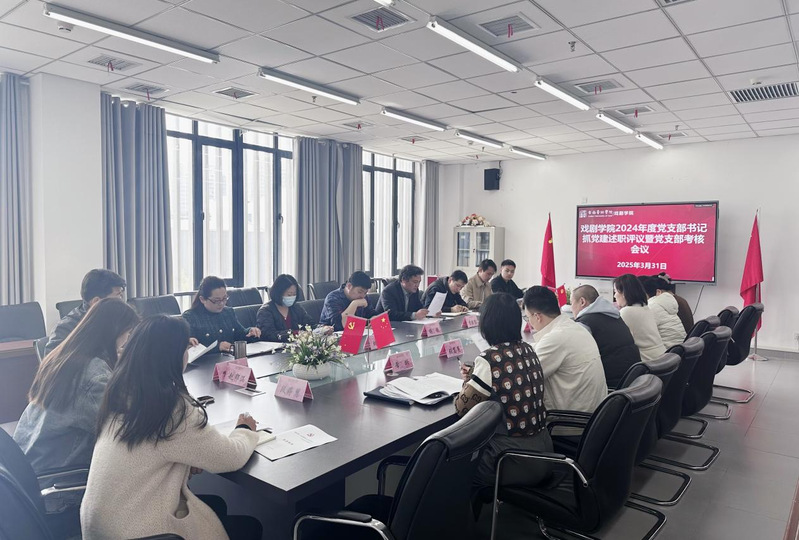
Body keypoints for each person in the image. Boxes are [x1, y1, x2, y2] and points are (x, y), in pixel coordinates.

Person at [80, 315, 263, 540]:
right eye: (185, 348)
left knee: (217, 505)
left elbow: (150, 450)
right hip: (140, 532)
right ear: (173, 356)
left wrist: (186, 458)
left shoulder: (122, 393)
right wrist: (245, 429)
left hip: (102, 528)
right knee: (249, 527)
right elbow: (230, 457)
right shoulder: (170, 407)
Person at [14, 298, 139, 478]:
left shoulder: (62, 358)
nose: (129, 341)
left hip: (29, 466)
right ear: (114, 332)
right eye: (129, 333)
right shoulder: (94, 376)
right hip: (57, 480)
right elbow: (123, 430)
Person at [454, 293, 552, 488]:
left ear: (487, 324)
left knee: (453, 464)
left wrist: (468, 383)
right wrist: (476, 375)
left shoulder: (490, 358)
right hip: (545, 453)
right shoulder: (529, 349)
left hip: (511, 460)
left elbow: (462, 408)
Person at [524, 286, 607, 413]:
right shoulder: (574, 327)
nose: (528, 322)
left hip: (570, 420)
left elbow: (526, 378)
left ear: (537, 316)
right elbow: (542, 347)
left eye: (527, 317)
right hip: (595, 415)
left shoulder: (556, 338)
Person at [571, 285, 640, 388]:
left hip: (611, 385)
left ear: (582, 301)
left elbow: (577, 359)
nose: (571, 308)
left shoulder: (585, 324)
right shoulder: (615, 316)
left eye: (572, 303)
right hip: (632, 378)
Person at [44, 269, 126, 355]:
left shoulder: (116, 320)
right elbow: (55, 361)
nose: (122, 301)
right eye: (118, 295)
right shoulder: (65, 329)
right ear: (96, 302)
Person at [182, 276, 261, 354]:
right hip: (206, 361)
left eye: (224, 298)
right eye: (216, 300)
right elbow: (190, 347)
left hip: (230, 359)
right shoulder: (190, 317)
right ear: (202, 299)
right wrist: (217, 347)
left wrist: (250, 331)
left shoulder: (228, 312)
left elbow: (240, 333)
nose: (222, 303)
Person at [613, 274, 666, 362]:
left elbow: (617, 342)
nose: (615, 296)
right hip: (661, 358)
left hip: (647, 362)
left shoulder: (627, 312)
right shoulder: (645, 308)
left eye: (615, 291)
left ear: (624, 293)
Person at [639, 275, 687, 348]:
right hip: (677, 350)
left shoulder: (652, 307)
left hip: (668, 351)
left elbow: (641, 335)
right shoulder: (665, 303)